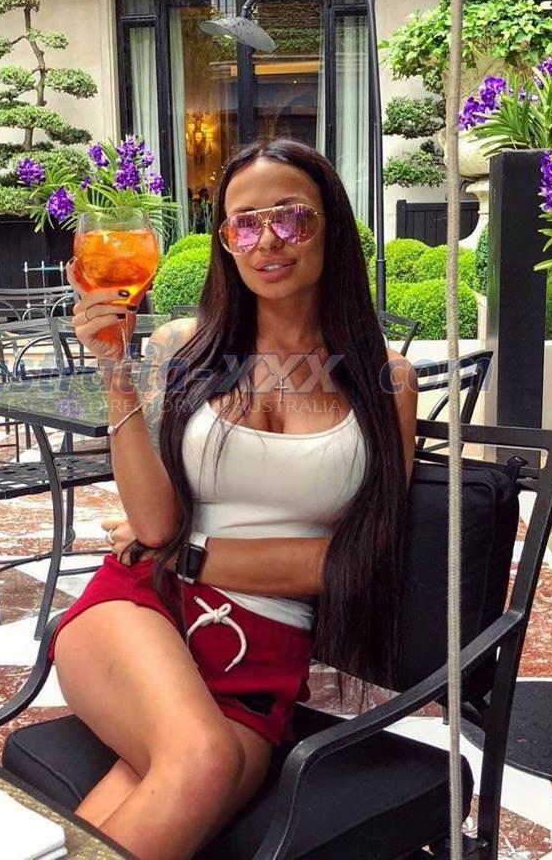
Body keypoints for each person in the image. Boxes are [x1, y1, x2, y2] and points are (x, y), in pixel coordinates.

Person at [57, 139, 417, 860]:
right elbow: (153, 524)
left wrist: (190, 556)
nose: (267, 241)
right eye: (244, 224)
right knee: (202, 763)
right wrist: (113, 370)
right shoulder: (184, 349)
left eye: (291, 218)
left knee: (154, 793)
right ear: (225, 241)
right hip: (143, 608)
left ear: (331, 227)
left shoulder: (386, 379)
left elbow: (355, 559)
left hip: (262, 657)